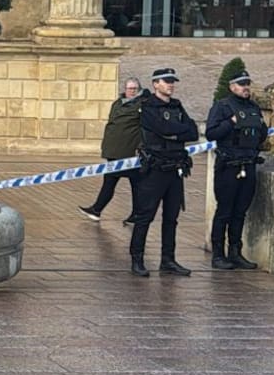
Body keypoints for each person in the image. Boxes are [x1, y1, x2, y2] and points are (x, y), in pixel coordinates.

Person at [128, 67, 199, 278]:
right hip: (155, 169)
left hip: (175, 168)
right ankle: (137, 259)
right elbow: (162, 129)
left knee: (171, 218)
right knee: (145, 216)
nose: (171, 84)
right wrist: (177, 132)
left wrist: (173, 133)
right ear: (155, 84)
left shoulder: (177, 106)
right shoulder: (148, 106)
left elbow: (193, 131)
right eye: (166, 81)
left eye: (172, 81)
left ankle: (168, 260)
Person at [206, 68, 267, 270]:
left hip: (248, 163)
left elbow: (262, 133)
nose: (246, 87)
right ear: (232, 87)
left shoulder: (254, 107)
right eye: (242, 84)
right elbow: (211, 133)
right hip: (228, 166)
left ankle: (235, 252)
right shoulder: (222, 106)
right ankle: (217, 254)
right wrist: (231, 123)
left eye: (247, 83)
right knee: (224, 211)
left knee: (240, 211)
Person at [78, 77, 145, 223]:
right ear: (125, 89)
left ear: (139, 89)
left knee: (136, 183)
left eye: (134, 88)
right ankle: (97, 209)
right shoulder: (117, 103)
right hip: (114, 151)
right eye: (129, 88)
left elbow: (145, 128)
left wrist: (140, 148)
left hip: (130, 152)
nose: (132, 91)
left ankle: (136, 214)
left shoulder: (143, 104)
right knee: (111, 181)